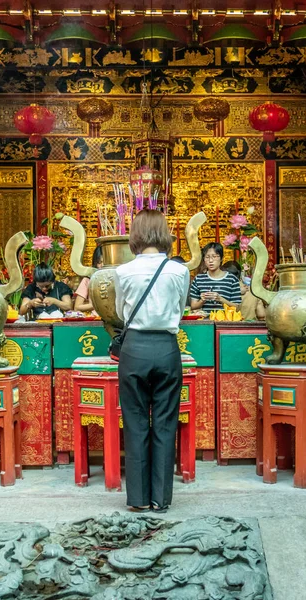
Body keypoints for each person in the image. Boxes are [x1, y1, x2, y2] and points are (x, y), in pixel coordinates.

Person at [114, 209, 189, 514]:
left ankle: (138, 499)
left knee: (134, 424)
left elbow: (121, 313)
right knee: (165, 422)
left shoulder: (122, 272)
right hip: (167, 347)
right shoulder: (179, 271)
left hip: (134, 349)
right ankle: (161, 499)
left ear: (135, 235)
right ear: (165, 234)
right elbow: (180, 309)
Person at [189, 242, 241, 314]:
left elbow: (237, 308)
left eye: (214, 256)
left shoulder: (231, 279)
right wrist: (202, 300)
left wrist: (220, 299)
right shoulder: (198, 279)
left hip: (225, 322)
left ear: (222, 258)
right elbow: (193, 306)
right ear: (203, 259)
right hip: (205, 322)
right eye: (207, 257)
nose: (210, 261)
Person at [74, 246, 103, 313]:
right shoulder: (87, 280)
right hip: (96, 320)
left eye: (105, 262)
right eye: (99, 262)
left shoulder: (116, 277)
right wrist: (98, 305)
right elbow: (77, 307)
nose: (102, 265)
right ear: (95, 263)